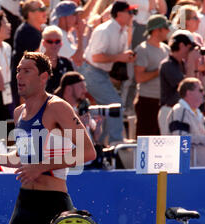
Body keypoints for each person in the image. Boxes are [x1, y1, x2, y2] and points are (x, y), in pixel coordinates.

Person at [0, 51, 126, 224]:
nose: (19, 75)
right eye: (18, 70)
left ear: (43, 77)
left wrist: (41, 167)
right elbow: (23, 159)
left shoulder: (57, 107)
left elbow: (87, 151)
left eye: (26, 70)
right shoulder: (18, 113)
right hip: (25, 204)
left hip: (53, 205)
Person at [81, 1, 137, 145]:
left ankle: (101, 144)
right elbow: (96, 57)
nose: (132, 15)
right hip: (91, 72)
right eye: (129, 12)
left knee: (107, 111)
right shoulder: (104, 30)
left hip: (101, 74)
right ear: (119, 14)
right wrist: (120, 57)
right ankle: (115, 141)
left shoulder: (123, 31)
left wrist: (126, 56)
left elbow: (118, 55)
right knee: (115, 104)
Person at [133, 14, 170, 136]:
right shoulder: (143, 49)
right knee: (146, 141)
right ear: (156, 30)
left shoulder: (167, 49)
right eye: (165, 28)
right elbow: (139, 77)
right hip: (147, 102)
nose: (168, 31)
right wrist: (159, 71)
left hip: (163, 102)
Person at [158, 29, 201, 135]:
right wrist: (191, 62)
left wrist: (194, 64)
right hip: (169, 110)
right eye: (190, 48)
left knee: (185, 148)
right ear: (181, 45)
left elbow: (195, 84)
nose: (191, 51)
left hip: (182, 110)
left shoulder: (181, 64)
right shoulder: (167, 64)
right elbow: (187, 87)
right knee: (171, 147)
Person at [167, 77, 205, 167]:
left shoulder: (198, 113)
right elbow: (180, 138)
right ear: (189, 93)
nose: (204, 93)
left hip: (201, 167)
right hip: (187, 168)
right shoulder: (180, 110)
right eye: (200, 90)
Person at [11, 0, 47, 107]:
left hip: (31, 84)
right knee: (6, 118)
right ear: (30, 14)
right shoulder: (26, 31)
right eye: (41, 9)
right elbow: (29, 65)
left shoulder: (39, 30)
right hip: (22, 85)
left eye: (44, 8)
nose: (45, 12)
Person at [49, 0, 86, 67]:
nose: (78, 18)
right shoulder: (58, 35)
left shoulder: (67, 34)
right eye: (74, 14)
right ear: (63, 18)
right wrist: (80, 34)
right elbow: (78, 60)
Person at [41, 25, 74, 94]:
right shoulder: (36, 63)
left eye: (57, 41)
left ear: (61, 44)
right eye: (50, 41)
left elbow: (73, 87)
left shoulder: (66, 63)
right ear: (43, 43)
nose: (54, 44)